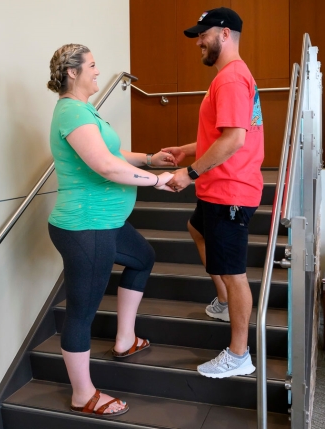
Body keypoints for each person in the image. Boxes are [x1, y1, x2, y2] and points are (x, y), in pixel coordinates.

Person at [46, 43, 174, 417]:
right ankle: (82, 394)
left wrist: (150, 158)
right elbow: (105, 166)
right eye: (93, 65)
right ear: (73, 72)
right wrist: (155, 180)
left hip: (106, 224)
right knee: (81, 313)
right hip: (87, 227)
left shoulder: (85, 112)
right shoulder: (70, 111)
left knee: (143, 257)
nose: (98, 72)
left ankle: (124, 339)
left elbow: (115, 154)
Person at [163, 7, 264, 379]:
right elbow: (224, 133)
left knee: (234, 273)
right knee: (197, 229)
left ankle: (239, 355)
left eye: (203, 35)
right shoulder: (230, 77)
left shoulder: (233, 79)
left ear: (224, 34)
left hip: (230, 190)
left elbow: (235, 140)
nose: (198, 42)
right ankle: (223, 301)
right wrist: (186, 150)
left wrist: (189, 173)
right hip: (217, 187)